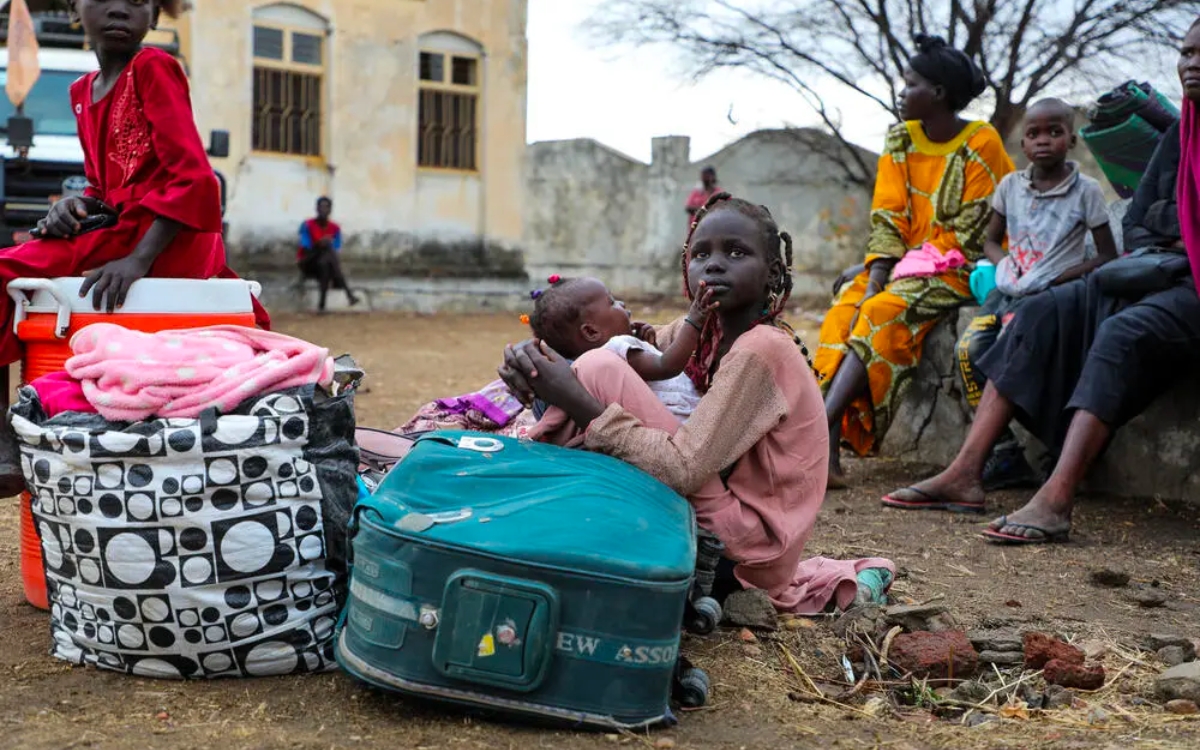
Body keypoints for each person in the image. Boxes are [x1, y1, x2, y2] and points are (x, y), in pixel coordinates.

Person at [880, 19, 1200, 543]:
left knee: (1121, 335)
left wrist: (1176, 246)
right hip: (1159, 273)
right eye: (1185, 51)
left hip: (1189, 288)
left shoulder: (1087, 189)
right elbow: (1142, 217)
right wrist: (1170, 243)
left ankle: (1056, 497)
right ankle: (965, 472)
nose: (1191, 62)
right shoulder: (1179, 139)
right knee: (1037, 311)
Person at [500, 193, 894, 614]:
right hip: (718, 520)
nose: (714, 264)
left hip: (744, 552)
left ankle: (546, 486)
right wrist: (539, 359)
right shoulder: (704, 334)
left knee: (597, 369)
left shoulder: (762, 349)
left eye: (737, 252)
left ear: (772, 273)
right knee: (589, 366)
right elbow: (622, 340)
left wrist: (577, 398)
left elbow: (682, 468)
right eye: (700, 253)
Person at [0, 0, 270, 497]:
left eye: (139, 0)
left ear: (156, 14)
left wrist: (139, 260)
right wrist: (74, 207)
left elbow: (193, 178)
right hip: (125, 226)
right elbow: (107, 186)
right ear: (77, 8)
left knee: (1, 273)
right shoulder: (82, 92)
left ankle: (3, 439)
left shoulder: (155, 67)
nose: (122, 8)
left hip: (167, 236)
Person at [815, 34, 1015, 489]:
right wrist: (875, 272)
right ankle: (823, 437)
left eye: (910, 85)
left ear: (939, 93)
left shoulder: (980, 142)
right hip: (905, 265)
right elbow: (887, 215)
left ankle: (821, 429)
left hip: (958, 267)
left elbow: (970, 236)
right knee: (846, 308)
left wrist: (885, 280)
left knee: (881, 310)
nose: (902, 94)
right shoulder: (900, 140)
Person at [947, 98, 1118, 494]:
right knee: (969, 351)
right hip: (1008, 292)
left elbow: (1107, 255)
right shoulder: (1010, 186)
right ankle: (1004, 451)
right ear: (1022, 145)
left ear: (1071, 139)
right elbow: (990, 241)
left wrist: (1059, 278)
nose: (1044, 141)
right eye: (1033, 134)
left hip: (1050, 300)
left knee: (1021, 364)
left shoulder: (1086, 191)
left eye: (1054, 132)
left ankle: (1058, 450)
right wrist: (1006, 264)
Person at [526, 275, 717, 426]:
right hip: (682, 424)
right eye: (612, 302)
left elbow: (654, 382)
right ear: (591, 331)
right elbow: (667, 367)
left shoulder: (598, 367)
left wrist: (649, 346)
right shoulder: (616, 348)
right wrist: (694, 321)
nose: (622, 304)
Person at [298, 197, 360, 312]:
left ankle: (322, 304)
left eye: (326, 207)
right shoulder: (307, 225)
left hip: (325, 262)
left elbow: (336, 248)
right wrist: (320, 243)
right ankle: (348, 293)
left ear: (330, 210)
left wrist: (325, 244)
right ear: (316, 209)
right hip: (308, 261)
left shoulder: (335, 228)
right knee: (326, 251)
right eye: (321, 207)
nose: (323, 210)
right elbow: (305, 247)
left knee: (325, 262)